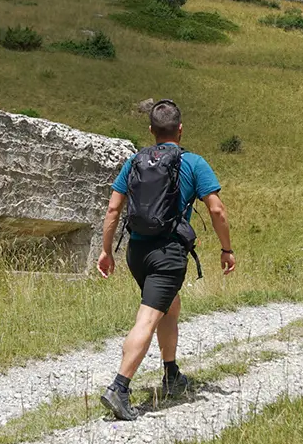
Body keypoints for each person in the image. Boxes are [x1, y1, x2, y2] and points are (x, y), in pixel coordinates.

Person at [97, 99, 235, 421]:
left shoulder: (134, 161)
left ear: (151, 131)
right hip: (168, 255)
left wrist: (106, 252)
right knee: (147, 318)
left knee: (170, 306)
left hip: (136, 253)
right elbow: (217, 210)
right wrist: (226, 249)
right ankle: (119, 387)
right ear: (181, 129)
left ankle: (171, 373)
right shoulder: (193, 163)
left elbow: (113, 210)